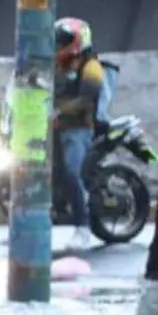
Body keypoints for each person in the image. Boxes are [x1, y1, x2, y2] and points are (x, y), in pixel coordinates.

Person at [53, 16, 106, 251]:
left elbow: (86, 101)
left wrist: (58, 111)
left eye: (62, 40)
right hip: (54, 129)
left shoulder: (91, 67)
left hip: (78, 130)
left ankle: (82, 228)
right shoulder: (57, 66)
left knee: (71, 173)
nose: (57, 44)